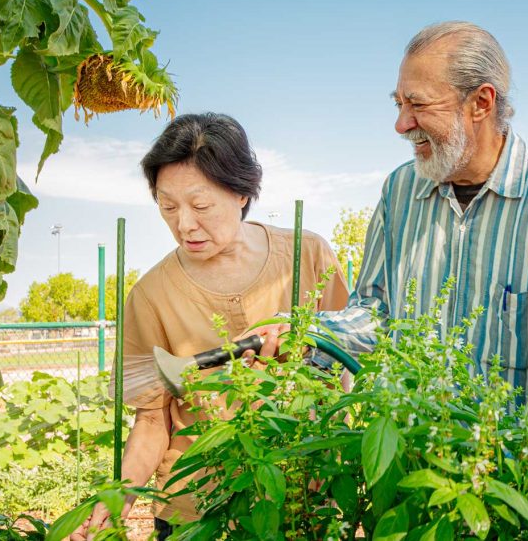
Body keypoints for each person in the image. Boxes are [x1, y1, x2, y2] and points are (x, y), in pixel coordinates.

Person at [70, 113, 348, 540]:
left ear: (241, 193)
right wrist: (117, 499)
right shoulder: (150, 296)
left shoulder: (307, 255)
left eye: (200, 206)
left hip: (301, 496)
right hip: (196, 511)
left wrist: (311, 357)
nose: (184, 224)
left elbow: (347, 361)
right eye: (168, 207)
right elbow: (150, 422)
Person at [311, 21, 528, 392]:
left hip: (506, 448)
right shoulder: (399, 190)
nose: (401, 125)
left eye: (417, 104)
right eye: (399, 104)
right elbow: (375, 311)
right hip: (408, 442)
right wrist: (306, 334)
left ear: (481, 102)